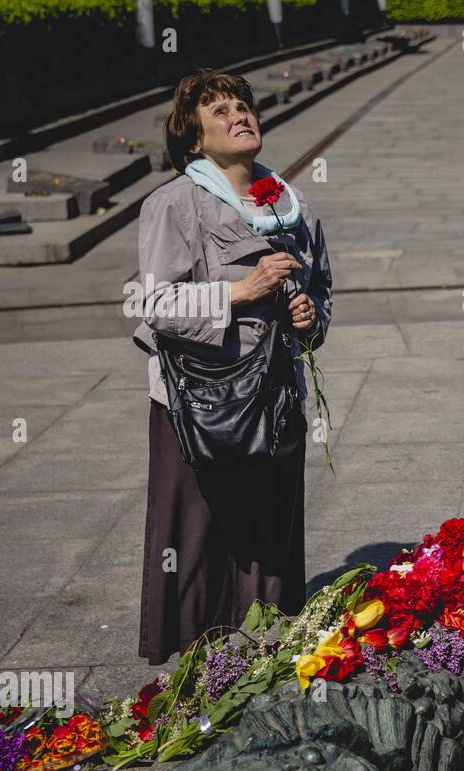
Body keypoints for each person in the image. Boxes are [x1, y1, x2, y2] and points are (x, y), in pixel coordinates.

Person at [134, 68, 332, 665]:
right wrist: (238, 292)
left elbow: (322, 292)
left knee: (269, 528)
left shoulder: (294, 209)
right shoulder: (172, 205)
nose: (239, 116)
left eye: (243, 106)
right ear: (193, 139)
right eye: (219, 111)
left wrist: (307, 318)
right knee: (198, 534)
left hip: (275, 394)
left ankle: (266, 650)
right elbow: (154, 304)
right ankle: (199, 660)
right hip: (201, 402)